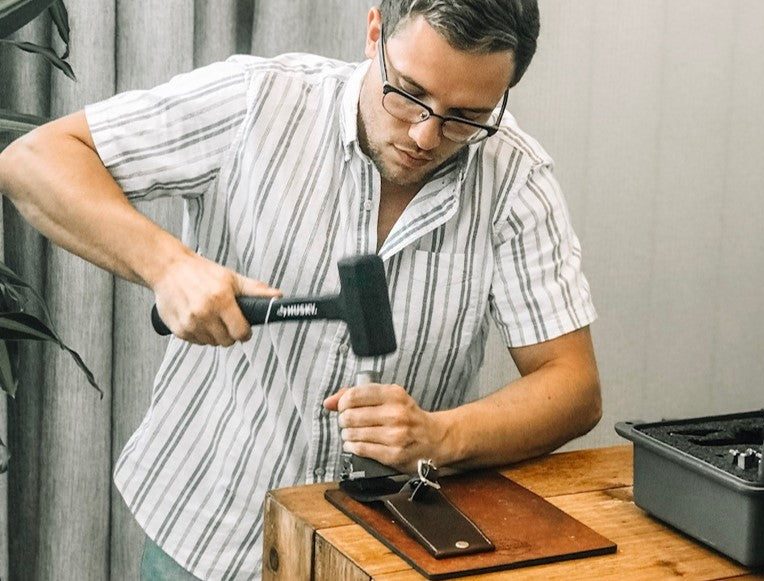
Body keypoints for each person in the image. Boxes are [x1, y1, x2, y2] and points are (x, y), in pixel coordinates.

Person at [0, 0, 602, 578]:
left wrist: (440, 436)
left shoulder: (515, 178)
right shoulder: (259, 99)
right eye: (409, 94)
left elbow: (572, 387)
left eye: (465, 116)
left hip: (382, 552)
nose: (424, 135)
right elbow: (34, 157)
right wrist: (169, 265)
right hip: (207, 534)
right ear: (374, 34)